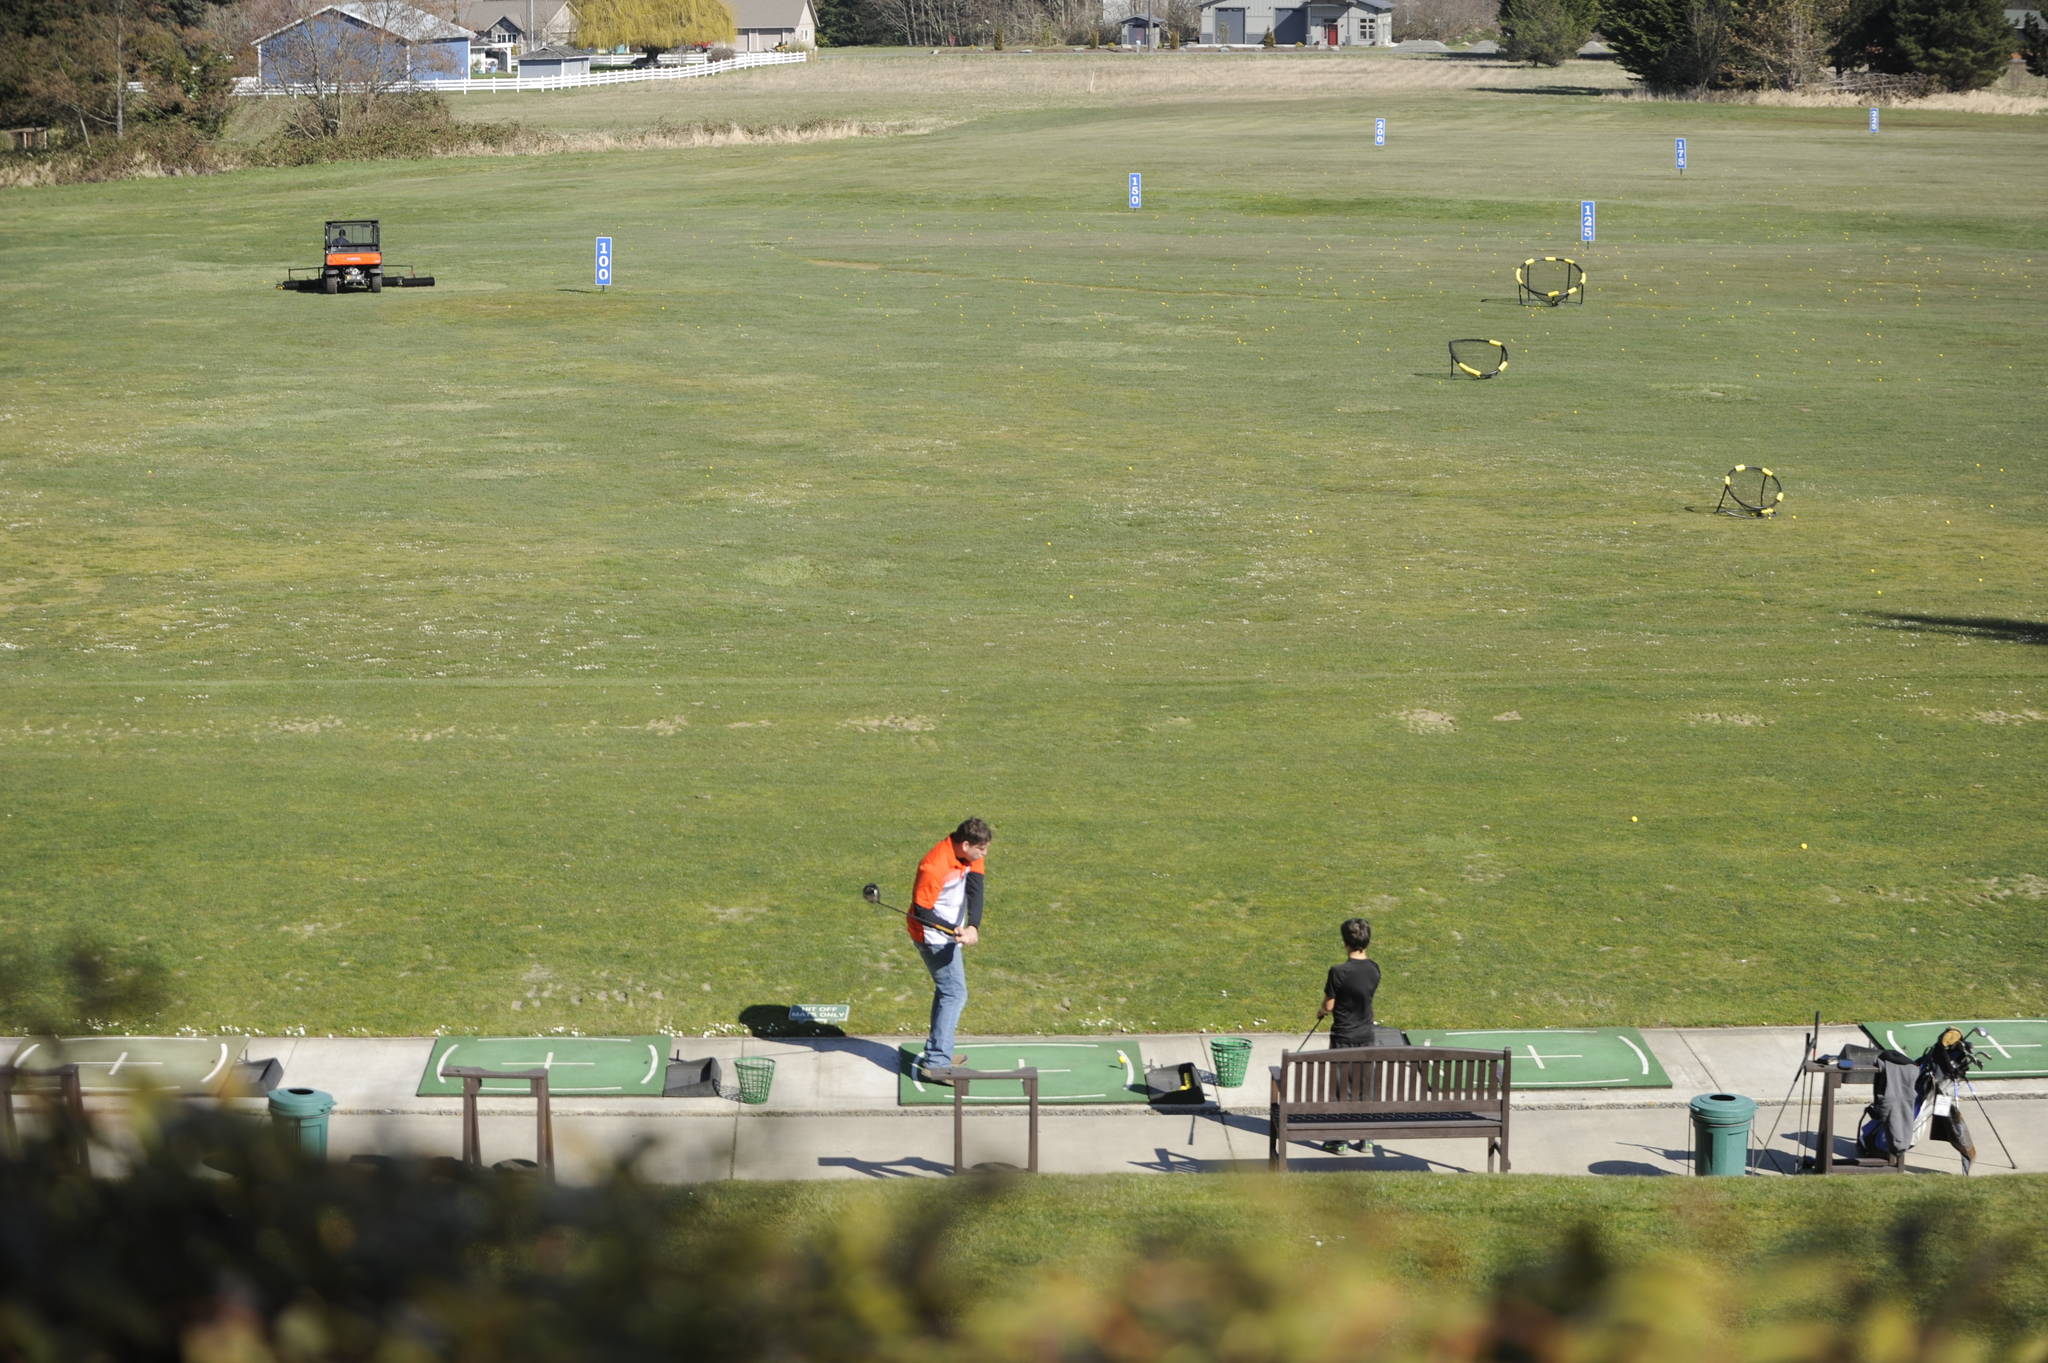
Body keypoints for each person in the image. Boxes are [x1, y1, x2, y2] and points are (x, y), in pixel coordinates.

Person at [906, 817, 992, 1084]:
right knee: (954, 993)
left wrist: (973, 926)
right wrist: (953, 929)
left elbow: (975, 889)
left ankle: (937, 1053)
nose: (984, 854)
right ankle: (937, 1064)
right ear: (966, 844)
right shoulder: (933, 866)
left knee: (947, 992)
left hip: (949, 932)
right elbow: (922, 910)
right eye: (982, 849)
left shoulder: (969, 854)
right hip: (931, 935)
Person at [1318, 917, 1380, 1153]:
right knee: (1364, 1086)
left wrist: (1321, 1009)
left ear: (1345, 942)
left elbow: (1330, 1005)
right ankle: (1366, 1138)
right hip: (1366, 1036)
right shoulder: (1374, 969)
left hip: (1343, 1037)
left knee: (1342, 1088)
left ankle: (1340, 1139)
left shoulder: (1338, 972)